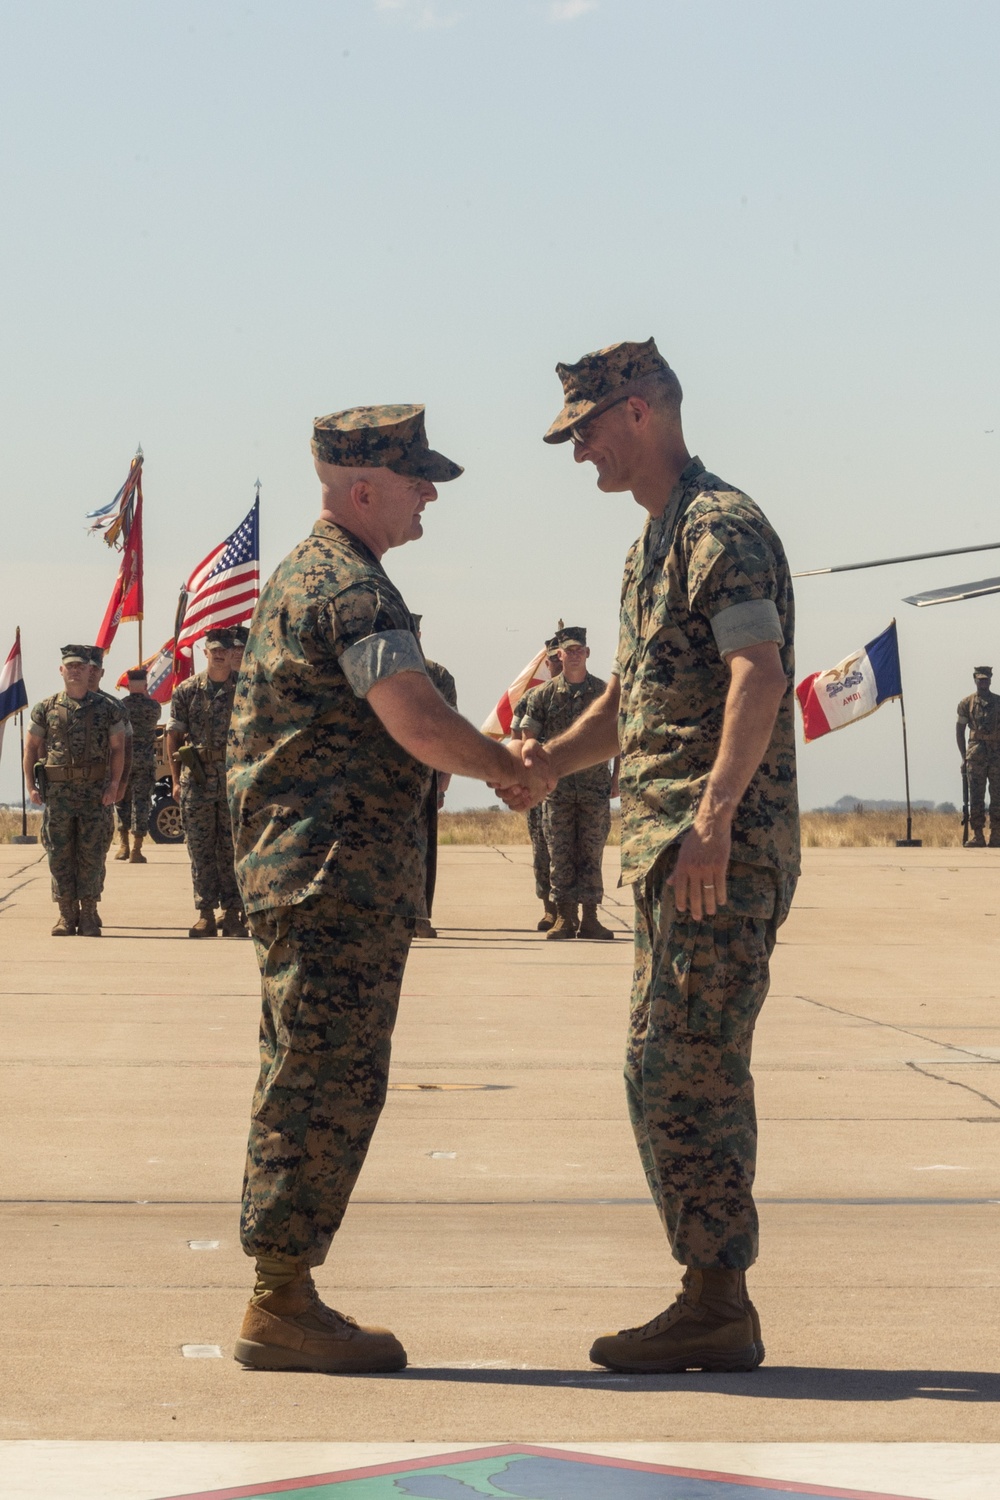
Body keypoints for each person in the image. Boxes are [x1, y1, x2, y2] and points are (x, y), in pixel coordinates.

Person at [227, 403, 549, 1375]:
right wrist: (505, 764)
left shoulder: (318, 576)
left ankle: (283, 1286)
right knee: (324, 1077)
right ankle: (279, 1297)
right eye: (417, 480)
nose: (430, 495)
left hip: (320, 869)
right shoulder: (351, 591)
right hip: (332, 873)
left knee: (311, 1068)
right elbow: (412, 716)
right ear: (362, 487)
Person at [505, 337, 798, 1372]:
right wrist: (546, 764)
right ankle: (709, 1289)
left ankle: (716, 1299)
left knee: (684, 1068)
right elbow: (631, 706)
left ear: (638, 411)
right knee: (666, 1065)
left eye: (583, 430)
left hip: (714, 851)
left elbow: (755, 674)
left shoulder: (716, 527)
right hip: (673, 850)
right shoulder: (651, 543)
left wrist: (714, 817)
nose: (578, 452)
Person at [519, 625, 617, 941]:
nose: (574, 655)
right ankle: (564, 917)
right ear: (558, 655)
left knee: (591, 852)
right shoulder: (542, 696)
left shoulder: (604, 694)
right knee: (559, 852)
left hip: (594, 787)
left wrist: (617, 779)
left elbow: (620, 737)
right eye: (568, 651)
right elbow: (528, 738)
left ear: (587, 653)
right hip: (556, 790)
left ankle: (590, 918)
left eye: (579, 650)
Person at [23, 645, 126, 936]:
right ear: (61, 670)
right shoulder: (46, 708)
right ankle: (66, 915)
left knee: (92, 854)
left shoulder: (108, 708)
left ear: (90, 670)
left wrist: (114, 785)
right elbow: (31, 748)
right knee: (59, 854)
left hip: (95, 794)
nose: (76, 670)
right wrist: (31, 786)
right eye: (70, 665)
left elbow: (118, 749)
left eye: (81, 666)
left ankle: (90, 913)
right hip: (58, 796)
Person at [166, 629, 246, 938]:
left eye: (224, 650)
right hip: (196, 781)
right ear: (205, 652)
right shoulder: (186, 691)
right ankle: (205, 914)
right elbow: (173, 738)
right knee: (200, 850)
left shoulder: (244, 689)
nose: (219, 654)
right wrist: (175, 781)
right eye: (213, 650)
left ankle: (234, 913)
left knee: (233, 849)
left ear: (231, 652)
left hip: (233, 780)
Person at [511, 634, 563, 930]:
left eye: (562, 656)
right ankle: (550, 908)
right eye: (553, 657)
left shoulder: (593, 693)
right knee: (542, 848)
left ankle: (575, 911)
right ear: (547, 661)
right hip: (539, 785)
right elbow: (518, 740)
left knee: (573, 850)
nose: (557, 661)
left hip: (577, 783)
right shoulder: (533, 697)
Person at [412, 614, 458, 939]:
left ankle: (420, 916)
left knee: (424, 848)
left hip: (425, 778)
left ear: (418, 633)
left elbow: (451, 734)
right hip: (381, 782)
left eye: (412, 631)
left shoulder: (439, 676)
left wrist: (443, 784)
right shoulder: (377, 672)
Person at [114, 667, 163, 864]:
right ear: (144, 685)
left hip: (124, 759)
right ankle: (137, 848)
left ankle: (123, 845)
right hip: (144, 760)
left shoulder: (120, 707)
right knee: (141, 802)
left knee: (121, 801)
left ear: (128, 686)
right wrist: (146, 694)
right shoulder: (153, 707)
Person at [957, 666, 1000, 847]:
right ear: (975, 680)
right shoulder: (967, 703)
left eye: (986, 679)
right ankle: (978, 835)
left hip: (997, 754)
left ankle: (997, 835)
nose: (983, 682)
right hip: (975, 755)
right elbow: (959, 731)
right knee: (976, 796)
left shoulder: (998, 702)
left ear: (990, 680)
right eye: (980, 679)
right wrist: (963, 757)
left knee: (997, 797)